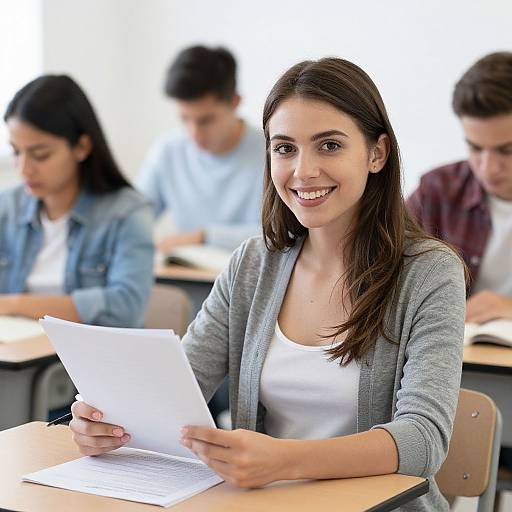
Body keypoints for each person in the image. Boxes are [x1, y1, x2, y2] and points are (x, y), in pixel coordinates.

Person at [70, 57, 466, 511]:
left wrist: (286, 461)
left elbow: (423, 441)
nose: (303, 171)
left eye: (330, 146)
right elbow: (179, 388)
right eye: (285, 148)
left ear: (377, 153)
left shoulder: (430, 273)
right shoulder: (253, 264)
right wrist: (108, 424)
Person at [407, 52, 512, 472]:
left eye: (507, 150)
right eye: (476, 148)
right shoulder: (439, 190)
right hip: (453, 376)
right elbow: (371, 270)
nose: (490, 168)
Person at [0, 75, 154, 328]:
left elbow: (126, 308)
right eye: (16, 152)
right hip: (16, 357)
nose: (24, 168)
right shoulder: (6, 207)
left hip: (86, 359)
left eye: (40, 155)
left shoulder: (127, 213)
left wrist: (14, 305)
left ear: (81, 147)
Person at [136, 45, 264, 253]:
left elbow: (281, 234)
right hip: (187, 277)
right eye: (185, 119)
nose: (194, 133)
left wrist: (203, 237)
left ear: (235, 102)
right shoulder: (167, 152)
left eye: (206, 120)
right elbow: (134, 219)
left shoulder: (272, 154)